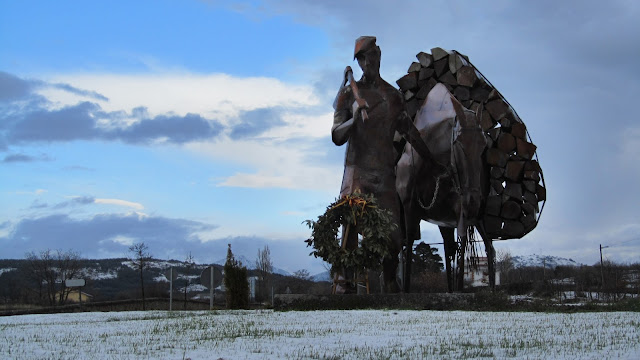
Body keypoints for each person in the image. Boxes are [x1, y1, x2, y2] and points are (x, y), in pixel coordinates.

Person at [332, 36, 434, 293]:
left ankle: (390, 280)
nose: (372, 63)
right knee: (351, 229)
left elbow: (409, 130)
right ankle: (346, 283)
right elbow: (336, 135)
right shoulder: (347, 95)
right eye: (366, 59)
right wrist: (354, 118)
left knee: (393, 234)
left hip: (384, 175)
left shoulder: (392, 96)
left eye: (375, 57)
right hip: (356, 174)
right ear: (360, 61)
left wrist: (431, 159)